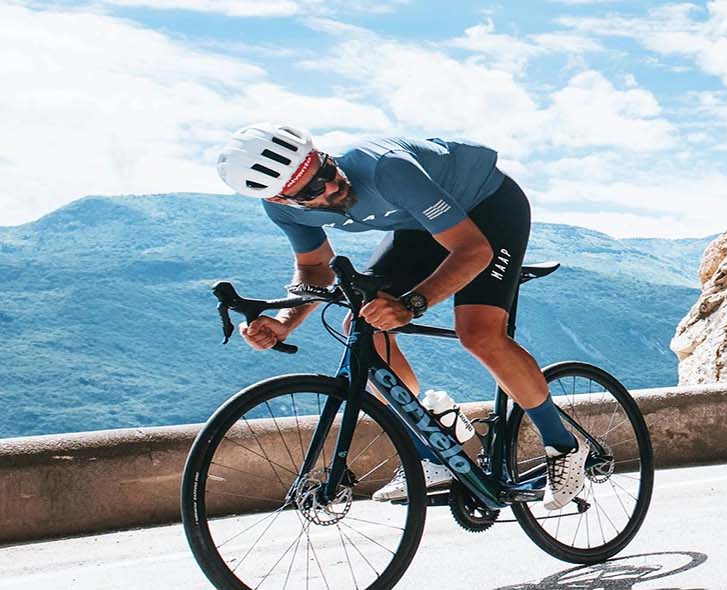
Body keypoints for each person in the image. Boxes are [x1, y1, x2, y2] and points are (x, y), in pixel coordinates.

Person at [214, 123, 587, 510]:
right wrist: (286, 322)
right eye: (310, 191)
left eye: (324, 169)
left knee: (478, 333)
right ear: (283, 201)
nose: (328, 186)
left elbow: (473, 251)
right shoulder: (283, 212)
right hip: (417, 224)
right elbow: (315, 270)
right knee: (363, 324)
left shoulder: (387, 169)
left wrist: (412, 305)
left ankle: (563, 446)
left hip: (489, 207)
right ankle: (435, 446)